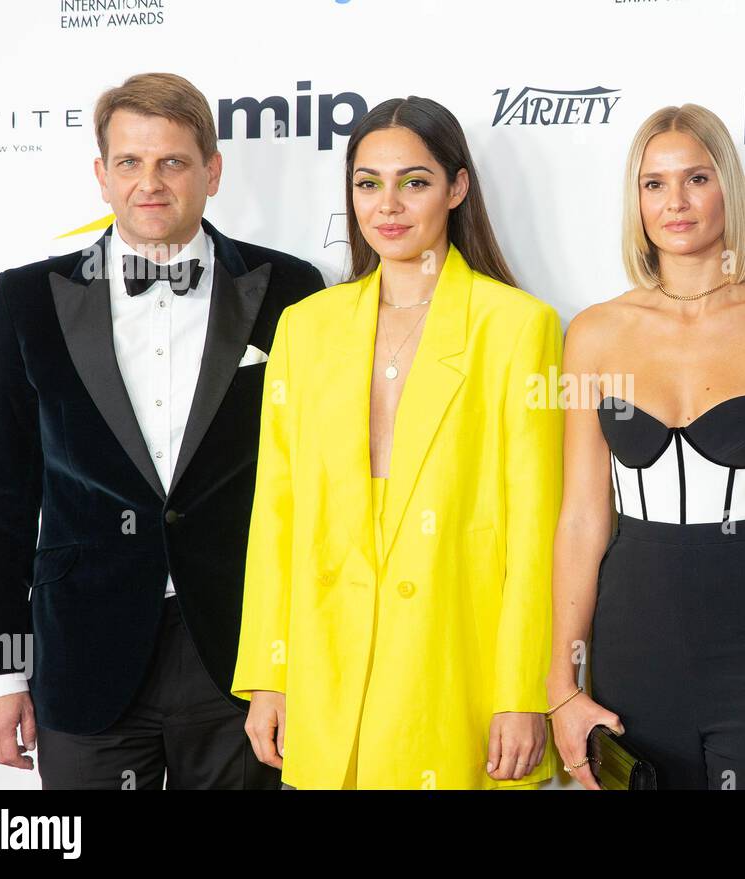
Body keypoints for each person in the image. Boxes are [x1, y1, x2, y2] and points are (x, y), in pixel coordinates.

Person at [0, 72, 325, 789]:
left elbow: (317, 480)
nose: (149, 182)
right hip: (82, 652)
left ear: (212, 172)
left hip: (243, 656)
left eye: (173, 162)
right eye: (129, 162)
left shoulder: (291, 289)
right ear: (101, 175)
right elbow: (0, 496)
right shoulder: (29, 298)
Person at [232, 96, 563, 790]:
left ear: (457, 188)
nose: (388, 204)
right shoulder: (306, 327)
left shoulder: (517, 327)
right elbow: (277, 513)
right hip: (326, 669)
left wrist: (523, 690)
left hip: (453, 664)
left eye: (414, 181)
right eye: (367, 182)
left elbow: (536, 533)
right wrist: (270, 673)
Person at [547, 104, 745, 790]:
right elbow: (582, 520)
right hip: (633, 645)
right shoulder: (594, 333)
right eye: (653, 184)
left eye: (695, 179)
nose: (674, 202)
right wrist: (562, 682)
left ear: (726, 189)